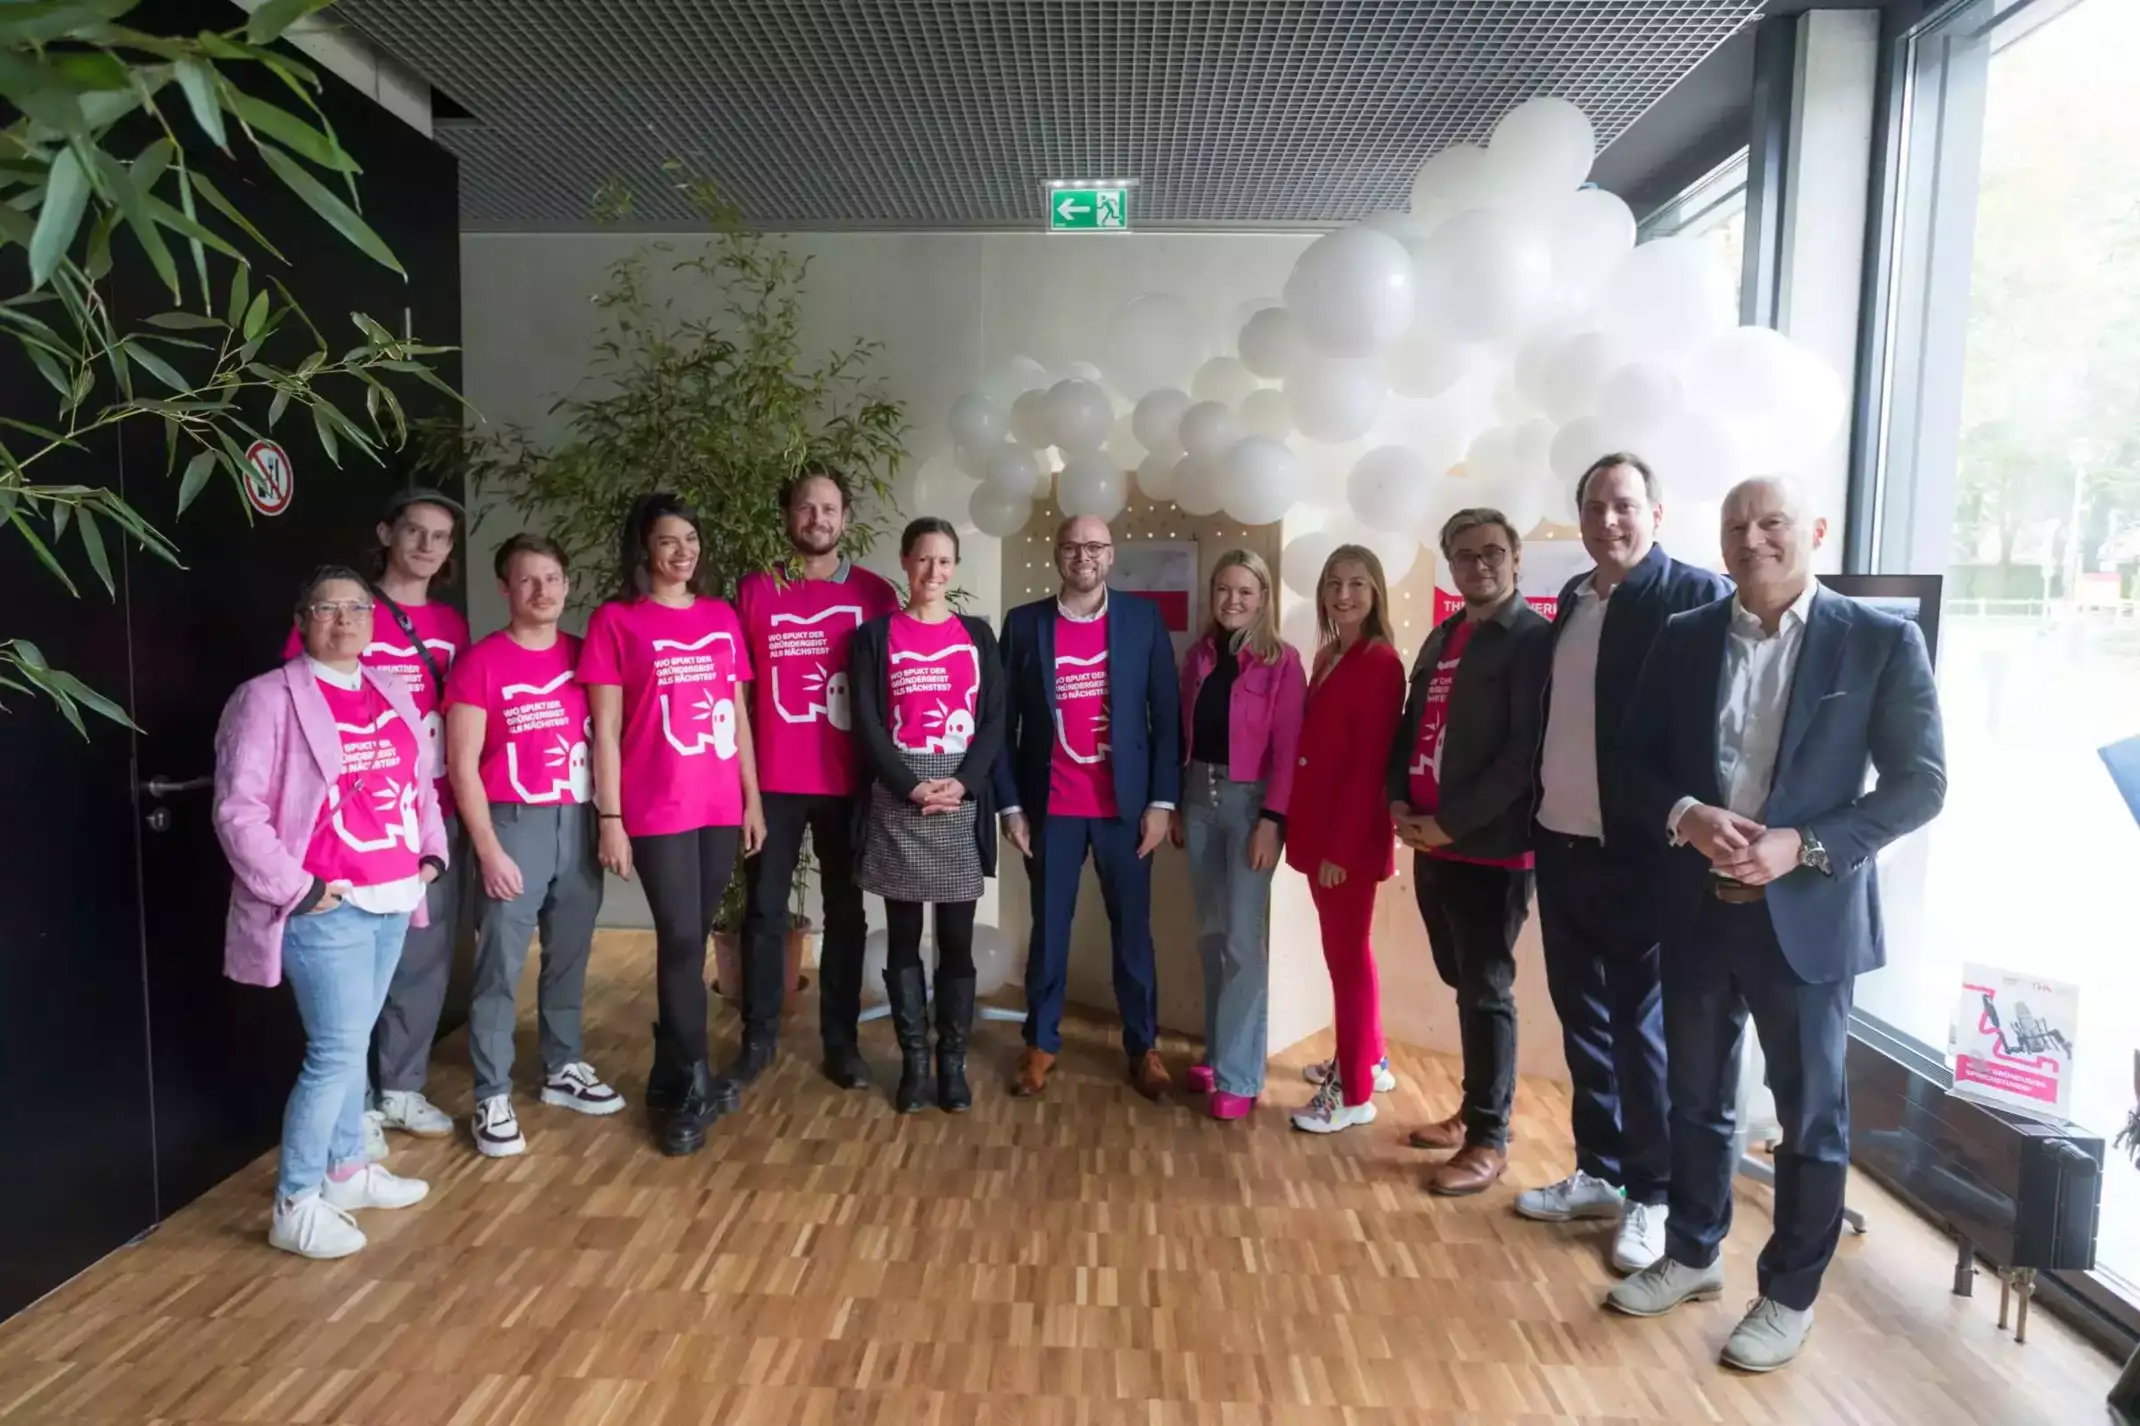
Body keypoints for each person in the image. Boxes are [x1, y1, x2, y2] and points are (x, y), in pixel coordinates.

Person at [1606, 477, 1945, 1373]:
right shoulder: (1685, 638)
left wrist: (1809, 844)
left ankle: (1788, 1295)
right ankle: (1692, 1253)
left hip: (1809, 920)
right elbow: (1632, 762)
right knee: (1697, 1099)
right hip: (1698, 909)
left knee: (1811, 1121)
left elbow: (1921, 785)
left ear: (1817, 532)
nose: (1752, 539)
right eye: (1735, 525)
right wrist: (1684, 811)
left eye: (1773, 523)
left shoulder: (1879, 640)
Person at [1523, 454, 1731, 1268]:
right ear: (1577, 518)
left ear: (1656, 511)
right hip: (1560, 840)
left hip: (1644, 856)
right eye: (1595, 507)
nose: (1610, 521)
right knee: (1584, 1022)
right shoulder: (1576, 598)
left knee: (1641, 1031)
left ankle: (1653, 1193)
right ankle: (1600, 1171)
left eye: (1625, 506)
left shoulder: (1694, 596)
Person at [216, 566, 448, 1259]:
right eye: (327, 609)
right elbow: (238, 811)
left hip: (390, 897)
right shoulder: (267, 699)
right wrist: (300, 887)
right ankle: (296, 1202)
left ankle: (345, 1169)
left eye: (356, 609)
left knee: (352, 1043)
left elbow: (418, 785)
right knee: (335, 1053)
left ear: (373, 622)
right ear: (303, 618)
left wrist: (430, 856)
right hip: (327, 909)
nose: (344, 621)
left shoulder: (386, 689)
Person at [578, 494, 766, 1158]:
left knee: (693, 937)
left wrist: (753, 798)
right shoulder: (616, 622)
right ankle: (691, 1084)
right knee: (681, 938)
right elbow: (603, 728)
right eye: (667, 540)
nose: (682, 551)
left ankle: (670, 1069)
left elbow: (738, 716)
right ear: (643, 550)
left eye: (690, 538)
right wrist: (610, 816)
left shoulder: (721, 618)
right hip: (654, 806)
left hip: (717, 805)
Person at [281, 489, 469, 1148]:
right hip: (340, 828)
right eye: (414, 531)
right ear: (386, 532)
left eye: (441, 537)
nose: (426, 546)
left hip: (423, 815)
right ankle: (351, 1105)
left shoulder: (451, 624)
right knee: (347, 975)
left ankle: (402, 1088)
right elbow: (296, 707)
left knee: (421, 959)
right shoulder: (344, 609)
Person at [1387, 510, 1552, 1192]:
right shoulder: (1446, 633)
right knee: (1461, 976)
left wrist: (1451, 823)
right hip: (1432, 840)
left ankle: (1489, 1134)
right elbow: (1411, 722)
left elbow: (1524, 758)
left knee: (1486, 988)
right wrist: (1398, 799)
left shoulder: (1534, 641)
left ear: (1515, 556)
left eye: (1490, 552)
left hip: (1491, 847)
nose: (1476, 564)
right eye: (1462, 555)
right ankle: (1472, 1106)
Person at [994, 514, 1182, 1099]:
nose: (1084, 556)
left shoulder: (1142, 620)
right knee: (1049, 933)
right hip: (1051, 809)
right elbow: (1002, 726)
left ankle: (1143, 1046)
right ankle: (1040, 1044)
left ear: (1111, 554)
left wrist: (1161, 802)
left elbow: (1166, 719)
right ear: (1057, 554)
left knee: (1133, 934)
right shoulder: (1024, 625)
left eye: (1095, 547)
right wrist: (1010, 807)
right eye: (1073, 546)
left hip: (1125, 811)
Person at [444, 534, 617, 1158]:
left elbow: (609, 743)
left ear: (566, 584)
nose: (542, 591)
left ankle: (562, 1066)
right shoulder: (481, 663)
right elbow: (462, 764)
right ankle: (491, 1093)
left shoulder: (585, 654)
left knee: (569, 955)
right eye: (527, 580)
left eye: (551, 578)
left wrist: (608, 821)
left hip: (578, 819)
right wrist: (488, 849)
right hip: (512, 823)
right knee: (499, 965)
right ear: (506, 590)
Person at [733, 470, 901, 1094]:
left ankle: (842, 1043)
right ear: (787, 517)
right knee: (764, 913)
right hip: (773, 782)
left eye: (828, 509)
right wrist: (745, 789)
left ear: (846, 518)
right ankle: (758, 1039)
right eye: (805, 508)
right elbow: (737, 696)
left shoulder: (877, 595)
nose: (817, 519)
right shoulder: (754, 591)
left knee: (846, 915)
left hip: (849, 782)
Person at [848, 518, 1008, 1113]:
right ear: (904, 562)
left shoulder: (977, 636)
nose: (932, 573)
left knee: (957, 941)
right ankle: (915, 1065)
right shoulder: (875, 637)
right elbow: (866, 724)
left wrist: (963, 784)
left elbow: (994, 719)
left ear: (955, 568)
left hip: (960, 800)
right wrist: (911, 786)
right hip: (899, 799)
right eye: (922, 560)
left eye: (944, 562)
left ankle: (952, 1064)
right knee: (905, 940)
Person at [1172, 550, 1304, 1120]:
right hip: (1198, 799)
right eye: (1223, 589)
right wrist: (1177, 804)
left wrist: (1273, 821)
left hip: (1251, 806)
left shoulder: (1283, 662)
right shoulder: (1198, 657)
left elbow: (1289, 749)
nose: (1232, 601)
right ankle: (1220, 1050)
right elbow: (1182, 734)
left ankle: (1240, 1075)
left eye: (1245, 592)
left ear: (1264, 598)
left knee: (1242, 943)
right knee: (1210, 932)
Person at [1286, 545, 1405, 1134]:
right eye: (1334, 583)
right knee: (1353, 953)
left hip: (1346, 840)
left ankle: (1354, 1092)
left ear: (1376, 590)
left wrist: (1341, 850)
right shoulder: (1332, 653)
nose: (1344, 594)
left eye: (1358, 582)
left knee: (1345, 961)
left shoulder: (1381, 662)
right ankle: (1371, 1057)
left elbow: (1369, 765)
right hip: (1318, 827)